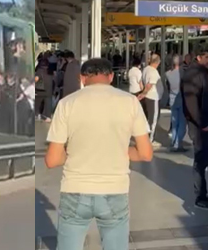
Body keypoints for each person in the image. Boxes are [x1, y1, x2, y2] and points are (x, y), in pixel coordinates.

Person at [45, 58, 152, 250]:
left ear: (82, 78)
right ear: (111, 76)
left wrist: (73, 152)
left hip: (75, 189)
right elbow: (145, 154)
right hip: (115, 190)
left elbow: (52, 160)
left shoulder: (66, 104)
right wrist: (120, 150)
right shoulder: (130, 102)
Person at [182, 48, 208, 210]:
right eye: (207, 57)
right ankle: (201, 196)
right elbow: (191, 102)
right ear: (198, 57)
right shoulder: (192, 75)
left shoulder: (205, 73)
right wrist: (201, 123)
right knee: (202, 159)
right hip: (201, 126)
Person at [137, 54, 162, 144]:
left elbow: (142, 82)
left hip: (148, 97)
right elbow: (149, 85)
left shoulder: (146, 69)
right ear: (158, 62)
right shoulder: (153, 72)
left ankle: (147, 137)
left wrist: (143, 93)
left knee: (148, 118)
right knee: (153, 119)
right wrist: (144, 93)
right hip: (153, 97)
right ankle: (150, 140)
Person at [166, 55, 187, 152]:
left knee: (174, 123)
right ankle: (178, 144)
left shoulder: (168, 74)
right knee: (182, 123)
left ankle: (174, 142)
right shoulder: (183, 73)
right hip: (182, 99)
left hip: (172, 99)